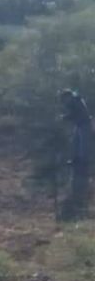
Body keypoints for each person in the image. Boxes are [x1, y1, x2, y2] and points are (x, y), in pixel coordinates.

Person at [60, 89, 93, 218]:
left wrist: (64, 117)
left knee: (83, 145)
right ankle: (76, 159)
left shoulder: (75, 101)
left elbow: (74, 114)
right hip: (79, 125)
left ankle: (82, 161)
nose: (63, 102)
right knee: (74, 142)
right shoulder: (74, 100)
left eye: (64, 99)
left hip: (85, 124)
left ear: (67, 96)